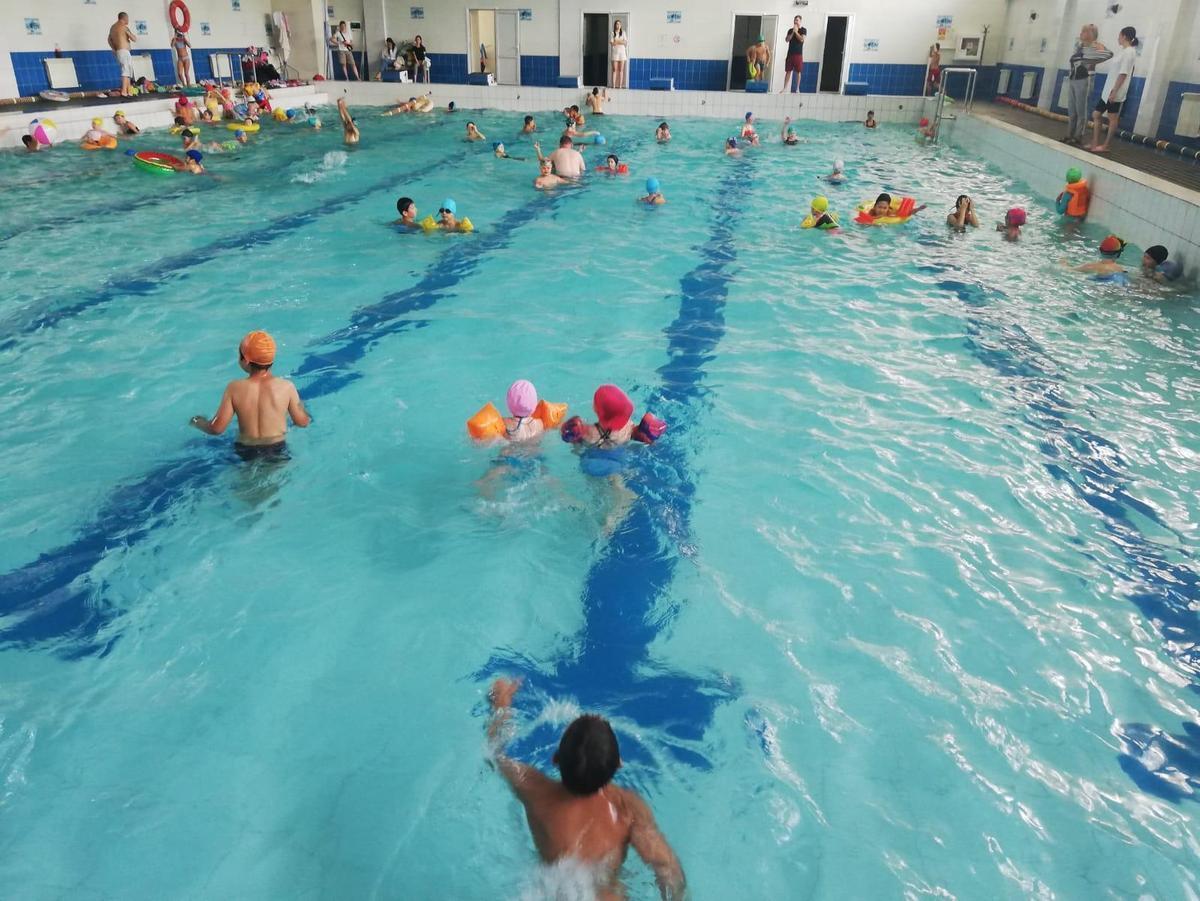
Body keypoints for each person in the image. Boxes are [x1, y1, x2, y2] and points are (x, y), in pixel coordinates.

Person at [485, 678, 686, 901]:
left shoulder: (533, 789)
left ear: (555, 759)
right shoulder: (627, 809)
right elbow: (666, 868)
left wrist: (500, 705)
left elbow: (494, 754)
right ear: (619, 764)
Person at [190, 331, 311, 459]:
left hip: (245, 450)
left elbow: (216, 429)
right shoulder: (287, 387)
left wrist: (197, 421)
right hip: (277, 448)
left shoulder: (234, 388)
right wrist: (301, 408)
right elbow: (302, 422)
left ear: (246, 360)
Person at [1088, 26, 1138, 153]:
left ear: (1124, 36)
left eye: (1119, 35)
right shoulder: (1123, 51)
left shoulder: (1129, 52)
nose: (1118, 38)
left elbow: (1123, 74)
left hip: (1115, 92)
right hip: (1108, 91)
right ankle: (1095, 142)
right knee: (1096, 114)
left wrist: (1115, 91)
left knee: (1112, 118)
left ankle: (1106, 145)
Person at [1063, 24, 1112, 145]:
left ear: (1091, 35)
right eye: (1082, 31)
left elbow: (1108, 54)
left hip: (1084, 79)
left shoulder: (1093, 48)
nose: (1081, 33)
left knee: (1081, 110)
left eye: (1084, 31)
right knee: (1072, 110)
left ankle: (1078, 136)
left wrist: (1097, 44)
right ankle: (1069, 134)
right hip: (1073, 79)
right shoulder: (1080, 47)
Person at [108, 12, 136, 98]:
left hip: (119, 51)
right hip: (124, 51)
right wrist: (129, 34)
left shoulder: (113, 27)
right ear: (125, 18)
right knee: (126, 71)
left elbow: (109, 39)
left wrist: (114, 49)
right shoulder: (124, 27)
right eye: (128, 18)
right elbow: (134, 39)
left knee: (128, 72)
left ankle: (129, 91)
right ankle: (124, 91)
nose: (128, 20)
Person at [781, 16, 806, 93]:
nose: (795, 22)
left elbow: (802, 39)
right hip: (790, 54)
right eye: (795, 20)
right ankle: (785, 88)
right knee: (788, 71)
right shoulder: (790, 30)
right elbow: (787, 40)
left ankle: (797, 88)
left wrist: (796, 32)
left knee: (798, 72)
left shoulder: (803, 30)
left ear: (800, 21)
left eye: (797, 20)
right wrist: (793, 32)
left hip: (798, 54)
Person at [610, 19, 628, 89]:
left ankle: (620, 86)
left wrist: (617, 41)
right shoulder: (612, 33)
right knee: (615, 70)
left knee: (621, 70)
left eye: (619, 24)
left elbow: (625, 42)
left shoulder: (623, 33)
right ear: (615, 25)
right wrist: (620, 41)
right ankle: (614, 85)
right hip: (615, 53)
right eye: (617, 24)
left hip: (622, 54)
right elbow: (612, 43)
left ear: (621, 25)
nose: (618, 25)